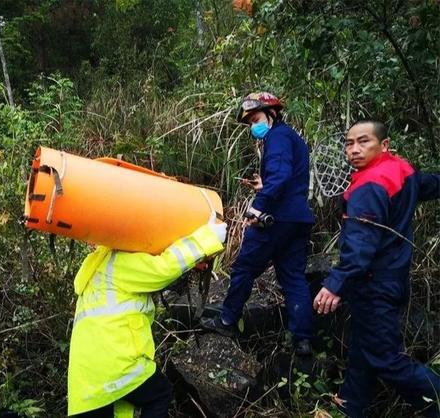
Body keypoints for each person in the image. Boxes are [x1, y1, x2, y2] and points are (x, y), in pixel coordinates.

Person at [313, 120, 440, 417]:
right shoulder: (401, 170)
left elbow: (360, 247)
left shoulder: (369, 187)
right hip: (393, 279)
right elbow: (429, 184)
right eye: (349, 143)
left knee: (386, 359)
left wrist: (335, 283)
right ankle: (350, 407)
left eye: (363, 142)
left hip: (374, 284)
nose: (354, 150)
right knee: (363, 351)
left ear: (383, 145)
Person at [68, 215, 227, 417]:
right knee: (160, 393)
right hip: (116, 364)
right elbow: (163, 269)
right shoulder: (120, 262)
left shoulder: (98, 266)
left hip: (87, 377)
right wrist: (206, 239)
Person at [201, 92, 315, 355]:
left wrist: (257, 207)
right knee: (293, 278)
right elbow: (291, 177)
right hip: (298, 219)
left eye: (256, 118)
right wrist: (266, 185)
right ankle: (303, 340)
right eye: (251, 122)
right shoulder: (293, 139)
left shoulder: (277, 136)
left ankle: (227, 320)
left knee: (244, 268)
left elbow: (281, 174)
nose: (254, 126)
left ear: (272, 114)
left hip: (275, 219)